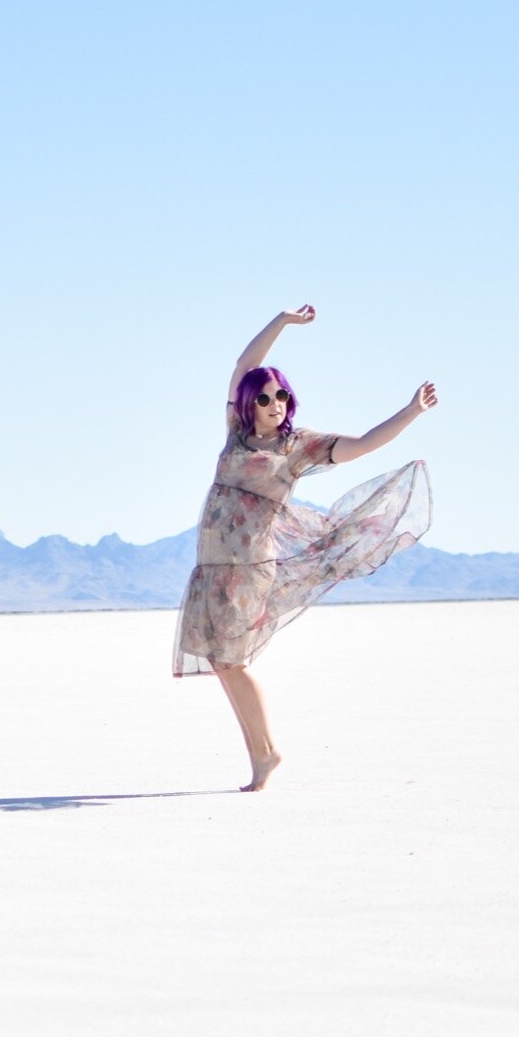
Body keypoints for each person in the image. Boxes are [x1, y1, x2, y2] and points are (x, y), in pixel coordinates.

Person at [173, 304, 436, 791]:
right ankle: (262, 754)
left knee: (232, 660)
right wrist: (280, 322)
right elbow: (241, 367)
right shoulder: (236, 434)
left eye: (282, 396)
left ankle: (266, 753)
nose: (275, 403)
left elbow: (363, 443)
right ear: (249, 403)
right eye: (266, 397)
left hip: (249, 565)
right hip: (212, 562)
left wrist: (411, 411)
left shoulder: (299, 446)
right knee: (220, 659)